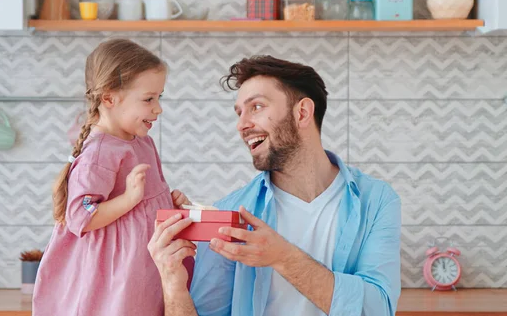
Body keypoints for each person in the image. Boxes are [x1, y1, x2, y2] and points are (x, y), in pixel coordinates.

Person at [149, 56, 401, 316]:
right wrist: (173, 285)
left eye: (256, 107)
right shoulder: (230, 213)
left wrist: (283, 257)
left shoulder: (375, 200)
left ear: (302, 112)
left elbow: (378, 308)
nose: (241, 125)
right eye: (239, 112)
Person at [33, 39, 192, 316]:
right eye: (148, 99)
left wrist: (168, 204)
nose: (158, 108)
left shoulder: (142, 143)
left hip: (143, 268)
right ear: (109, 98)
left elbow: (146, 204)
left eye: (159, 97)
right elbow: (81, 216)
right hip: (116, 276)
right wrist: (131, 198)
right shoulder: (99, 153)